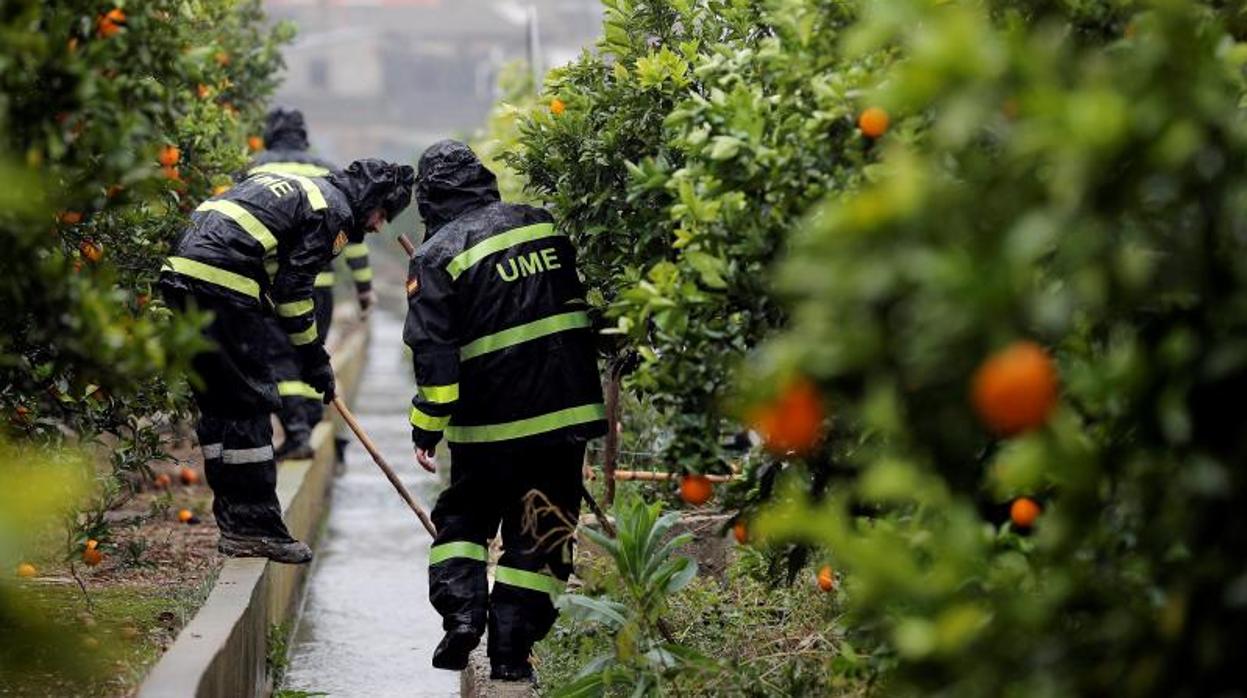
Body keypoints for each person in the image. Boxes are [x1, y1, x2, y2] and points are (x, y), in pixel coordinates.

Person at [404, 140, 606, 680]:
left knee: (464, 522)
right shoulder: (541, 224)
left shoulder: (436, 256)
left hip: (488, 430)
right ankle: (512, 658)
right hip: (563, 419)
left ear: (429, 199)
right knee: (541, 535)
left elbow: (435, 359)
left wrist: (426, 428)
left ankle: (463, 618)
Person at [160, 158, 415, 563]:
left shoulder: (302, 189)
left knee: (220, 404)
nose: (380, 226)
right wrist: (314, 359)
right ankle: (256, 529)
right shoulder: (333, 212)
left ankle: (234, 522)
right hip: (223, 281)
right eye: (384, 214)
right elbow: (295, 294)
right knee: (249, 401)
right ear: (371, 200)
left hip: (180, 273)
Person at [244, 107, 377, 460]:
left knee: (278, 357)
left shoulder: (255, 168)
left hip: (273, 285)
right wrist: (364, 289)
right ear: (304, 136)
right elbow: (355, 237)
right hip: (321, 287)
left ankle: (298, 430)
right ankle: (313, 416)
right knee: (311, 351)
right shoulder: (328, 170)